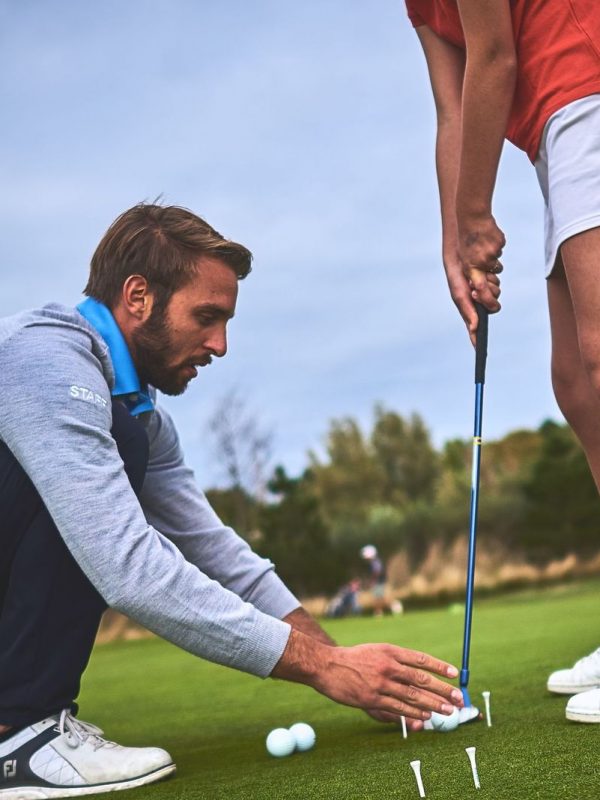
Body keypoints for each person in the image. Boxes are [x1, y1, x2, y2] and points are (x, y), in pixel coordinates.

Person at [0, 203, 464, 798]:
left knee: (126, 438)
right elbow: (125, 565)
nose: (220, 345)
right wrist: (325, 669)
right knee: (116, 445)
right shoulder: (46, 360)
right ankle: (17, 733)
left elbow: (218, 553)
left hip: (120, 425)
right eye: (207, 316)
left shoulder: (140, 415)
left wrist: (342, 662)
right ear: (137, 296)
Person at [404, 0, 600, 723]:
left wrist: (477, 213)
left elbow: (496, 57)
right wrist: (454, 240)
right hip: (557, 127)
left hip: (588, 86)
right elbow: (454, 109)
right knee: (578, 387)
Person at [360, 545, 388, 616]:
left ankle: (379, 612)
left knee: (378, 597)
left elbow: (377, 572)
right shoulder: (374, 561)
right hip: (378, 581)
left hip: (378, 582)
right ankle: (378, 612)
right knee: (378, 597)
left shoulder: (375, 562)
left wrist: (373, 581)